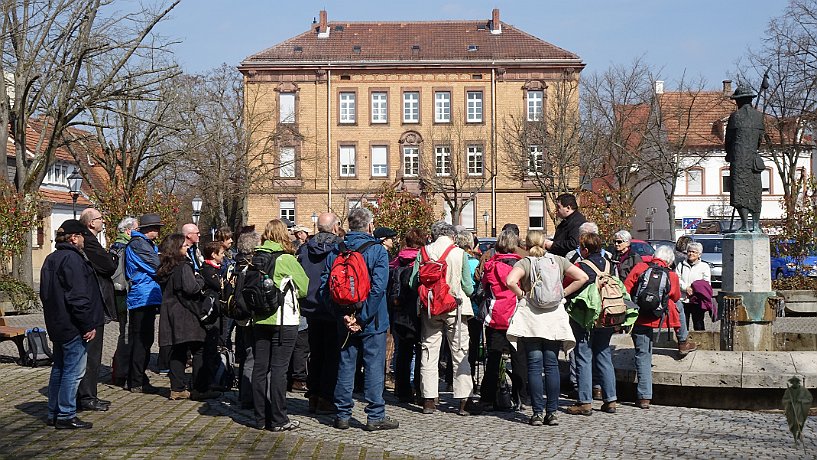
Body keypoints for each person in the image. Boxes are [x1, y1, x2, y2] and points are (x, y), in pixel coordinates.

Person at [323, 207, 399, 431]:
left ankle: (342, 415)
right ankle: (375, 415)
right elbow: (378, 289)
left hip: (344, 317)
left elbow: (326, 287)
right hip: (372, 320)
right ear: (369, 225)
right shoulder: (377, 251)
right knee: (374, 365)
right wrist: (363, 318)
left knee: (346, 364)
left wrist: (343, 315)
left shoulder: (337, 249)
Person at [506, 230, 588, 426]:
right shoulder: (558, 261)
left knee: (534, 366)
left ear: (526, 244)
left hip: (532, 319)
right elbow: (582, 277)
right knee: (551, 366)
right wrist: (563, 293)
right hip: (553, 317)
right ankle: (552, 413)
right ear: (545, 243)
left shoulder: (525, 262)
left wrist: (521, 294)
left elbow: (510, 281)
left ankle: (536, 413)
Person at [41, 219, 105, 429]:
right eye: (83, 238)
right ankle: (66, 414)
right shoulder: (72, 259)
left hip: (57, 322)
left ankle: (54, 412)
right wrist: (87, 325)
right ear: (74, 237)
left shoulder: (51, 258)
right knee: (73, 371)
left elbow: (46, 294)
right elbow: (78, 297)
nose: (85, 242)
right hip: (73, 325)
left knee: (59, 368)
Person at [409, 221, 476, 416]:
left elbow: (414, 281)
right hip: (455, 308)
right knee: (459, 351)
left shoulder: (423, 252)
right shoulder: (459, 253)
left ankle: (428, 400)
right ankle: (464, 400)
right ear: (452, 236)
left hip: (430, 308)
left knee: (429, 351)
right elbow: (468, 287)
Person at [251, 219, 309, 432]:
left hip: (259, 319)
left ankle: (259, 418)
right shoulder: (286, 259)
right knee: (279, 370)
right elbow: (304, 289)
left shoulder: (255, 258)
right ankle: (278, 419)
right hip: (283, 319)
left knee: (259, 368)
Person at [564, 232, 624, 416]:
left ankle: (585, 401)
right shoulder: (609, 264)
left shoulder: (581, 266)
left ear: (586, 249)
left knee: (583, 356)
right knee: (604, 355)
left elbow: (568, 284)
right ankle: (610, 399)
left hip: (585, 316)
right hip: (607, 314)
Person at [156, 234, 221, 401]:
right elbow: (191, 288)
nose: (187, 248)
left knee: (178, 350)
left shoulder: (166, 266)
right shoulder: (183, 266)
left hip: (171, 312)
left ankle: (177, 388)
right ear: (176, 248)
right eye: (184, 246)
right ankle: (200, 388)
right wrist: (199, 279)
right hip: (186, 314)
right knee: (198, 349)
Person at [624, 246, 682, 409]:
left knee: (643, 355)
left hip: (640, 318)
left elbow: (626, 289)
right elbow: (676, 296)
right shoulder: (671, 275)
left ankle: (644, 397)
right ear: (669, 261)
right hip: (660, 319)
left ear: (653, 256)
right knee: (680, 307)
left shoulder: (640, 267)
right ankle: (682, 339)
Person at [478, 229, 527, 412]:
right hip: (515, 315)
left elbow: (483, 287)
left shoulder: (491, 265)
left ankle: (487, 399)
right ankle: (521, 397)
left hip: (495, 315)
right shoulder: (521, 265)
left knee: (493, 358)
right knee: (519, 359)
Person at [296, 212, 341, 414]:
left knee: (315, 353)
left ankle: (313, 395)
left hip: (311, 307)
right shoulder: (340, 248)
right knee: (332, 355)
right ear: (334, 227)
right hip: (332, 306)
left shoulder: (305, 249)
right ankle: (326, 398)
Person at [76, 208, 117, 412]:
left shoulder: (90, 241)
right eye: (101, 219)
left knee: (90, 353)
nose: (103, 222)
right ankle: (86, 397)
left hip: (94, 302)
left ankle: (86, 395)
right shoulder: (89, 242)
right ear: (91, 223)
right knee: (92, 354)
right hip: (94, 303)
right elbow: (109, 266)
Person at [125, 213, 164, 393]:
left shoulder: (145, 244)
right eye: (157, 228)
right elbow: (156, 266)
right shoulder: (139, 244)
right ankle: (136, 380)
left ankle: (136, 378)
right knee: (141, 340)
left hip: (145, 295)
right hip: (142, 296)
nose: (158, 231)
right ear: (149, 229)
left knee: (142, 340)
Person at [388, 227, 426, 403]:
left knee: (402, 352)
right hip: (417, 311)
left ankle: (401, 390)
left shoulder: (397, 260)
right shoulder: (423, 260)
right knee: (420, 351)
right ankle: (419, 389)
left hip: (398, 310)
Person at [725, 84, 765, 233]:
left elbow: (728, 140)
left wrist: (729, 154)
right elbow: (760, 140)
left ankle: (745, 225)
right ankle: (755, 225)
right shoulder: (759, 117)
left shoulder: (735, 117)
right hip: (753, 160)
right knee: (755, 192)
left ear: (739, 101)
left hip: (739, 160)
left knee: (740, 192)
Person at [234, 230, 261, 409]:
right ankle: (248, 396)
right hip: (250, 315)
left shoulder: (236, 263)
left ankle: (245, 393)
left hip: (240, 315)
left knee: (246, 354)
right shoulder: (250, 266)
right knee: (252, 356)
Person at [111, 216, 137, 387]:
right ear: (128, 231)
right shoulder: (123, 247)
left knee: (126, 333)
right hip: (124, 295)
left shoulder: (116, 245)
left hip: (122, 295)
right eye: (136, 229)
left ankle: (121, 370)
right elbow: (119, 278)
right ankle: (121, 372)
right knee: (126, 333)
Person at [456, 230, 483, 395]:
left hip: (452, 307)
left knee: (454, 345)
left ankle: (453, 380)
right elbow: (474, 286)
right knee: (471, 346)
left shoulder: (451, 257)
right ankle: (469, 377)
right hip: (472, 309)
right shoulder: (473, 263)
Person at [199, 240, 227, 391]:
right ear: (213, 255)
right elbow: (218, 286)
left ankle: (212, 378)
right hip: (210, 313)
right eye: (221, 254)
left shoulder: (215, 269)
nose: (223, 256)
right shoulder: (209, 270)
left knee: (214, 346)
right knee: (209, 348)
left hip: (216, 312)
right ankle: (208, 381)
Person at [676, 241, 710, 356]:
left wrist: (695, 289)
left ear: (699, 254)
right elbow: (677, 279)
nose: (691, 254)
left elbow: (706, 283)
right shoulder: (680, 265)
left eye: (694, 252)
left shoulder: (704, 266)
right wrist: (686, 288)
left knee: (699, 322)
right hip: (683, 299)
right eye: (689, 251)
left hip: (697, 300)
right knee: (683, 322)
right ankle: (683, 344)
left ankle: (701, 344)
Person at [544, 193, 586, 257]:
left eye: (558, 207)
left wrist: (553, 245)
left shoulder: (577, 222)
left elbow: (573, 244)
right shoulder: (567, 221)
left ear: (568, 208)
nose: (556, 210)